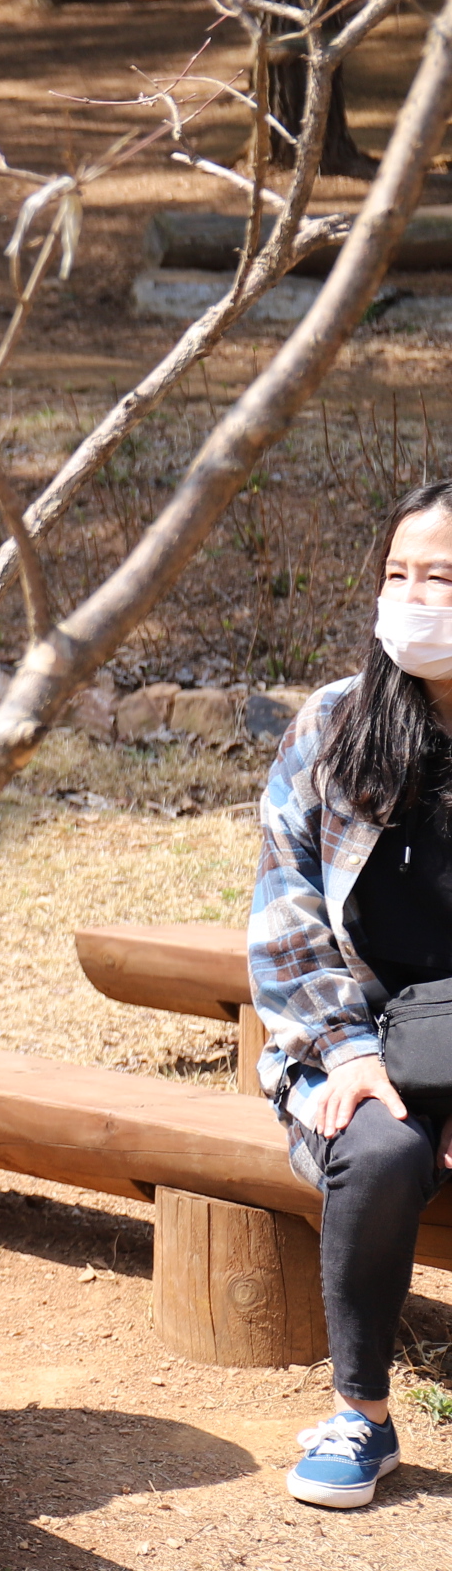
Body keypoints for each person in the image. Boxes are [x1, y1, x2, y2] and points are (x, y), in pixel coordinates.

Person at [254, 477, 452, 1510]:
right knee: (378, 1146)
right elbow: (284, 907)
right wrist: (350, 1051)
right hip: (359, 1041)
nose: (414, 596)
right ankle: (363, 1415)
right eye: (399, 573)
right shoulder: (336, 725)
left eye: (444, 577)